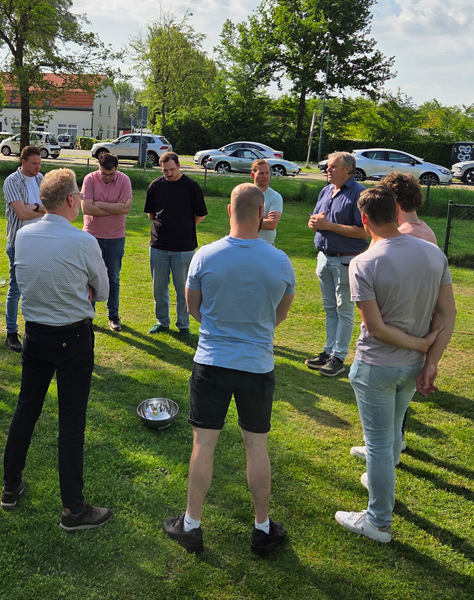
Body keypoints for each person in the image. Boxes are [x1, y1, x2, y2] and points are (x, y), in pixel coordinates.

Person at [162, 183, 295, 556]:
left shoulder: (206, 255)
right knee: (256, 446)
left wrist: (220, 327)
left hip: (212, 362)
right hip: (256, 365)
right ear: (261, 213)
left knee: (204, 445)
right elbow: (279, 315)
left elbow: (193, 308)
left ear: (229, 211)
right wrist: (254, 330)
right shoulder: (280, 261)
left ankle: (191, 525)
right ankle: (262, 528)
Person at [335, 186, 455, 543]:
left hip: (376, 368)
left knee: (378, 444)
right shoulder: (432, 253)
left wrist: (422, 347)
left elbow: (375, 328)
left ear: (364, 218)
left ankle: (378, 521)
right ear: (396, 211)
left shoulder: (363, 262)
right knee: (388, 440)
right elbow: (447, 313)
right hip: (412, 367)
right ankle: (379, 489)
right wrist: (429, 360)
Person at [0, 168, 112, 532]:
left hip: (36, 334)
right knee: (71, 422)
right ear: (70, 200)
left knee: (26, 409)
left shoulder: (24, 236)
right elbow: (102, 290)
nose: (80, 200)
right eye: (78, 195)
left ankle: (10, 486)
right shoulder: (83, 241)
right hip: (72, 337)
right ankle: (73, 509)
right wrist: (83, 290)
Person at [350, 172, 437, 462]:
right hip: (413, 335)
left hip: (394, 343)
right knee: (396, 409)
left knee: (387, 421)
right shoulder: (424, 232)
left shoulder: (405, 236)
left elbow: (382, 294)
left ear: (393, 204)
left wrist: (422, 346)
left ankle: (387, 450)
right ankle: (390, 446)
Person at [306, 151, 368, 377]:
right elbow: (316, 219)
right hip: (324, 257)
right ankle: (328, 351)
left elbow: (364, 231)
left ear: (347, 169)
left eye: (332, 166)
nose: (327, 170)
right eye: (328, 167)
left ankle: (338, 357)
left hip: (346, 260)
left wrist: (329, 226)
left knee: (344, 309)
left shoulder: (359, 194)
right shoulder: (326, 190)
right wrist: (314, 223)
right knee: (330, 308)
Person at [144, 152, 207, 337]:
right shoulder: (155, 186)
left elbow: (200, 214)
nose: (169, 173)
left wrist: (185, 227)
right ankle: (162, 321)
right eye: (165, 170)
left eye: (172, 169)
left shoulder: (192, 187)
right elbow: (151, 214)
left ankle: (183, 325)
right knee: (159, 288)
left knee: (183, 288)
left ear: (179, 166)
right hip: (158, 246)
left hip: (184, 247)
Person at [81, 152, 132, 331]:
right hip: (92, 236)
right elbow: (86, 208)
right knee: (90, 277)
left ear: (116, 169)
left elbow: (126, 208)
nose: (107, 177)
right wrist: (115, 208)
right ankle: (88, 315)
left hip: (116, 237)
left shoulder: (124, 180)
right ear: (99, 167)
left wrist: (99, 204)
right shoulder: (89, 179)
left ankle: (113, 316)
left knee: (113, 278)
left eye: (111, 174)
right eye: (104, 173)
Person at [3, 145, 46, 352]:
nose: (38, 167)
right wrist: (39, 208)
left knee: (39, 286)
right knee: (16, 288)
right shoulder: (12, 181)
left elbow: (51, 208)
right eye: (34, 163)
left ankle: (37, 330)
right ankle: (11, 333)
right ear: (23, 162)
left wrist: (34, 207)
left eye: (39, 163)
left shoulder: (41, 179)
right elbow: (21, 213)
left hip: (41, 242)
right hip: (19, 244)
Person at [250, 159, 283, 245]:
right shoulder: (245, 194)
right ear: (253, 175)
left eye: (267, 173)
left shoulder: (275, 197)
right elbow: (236, 221)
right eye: (261, 173)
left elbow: (271, 225)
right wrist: (263, 219)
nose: (265, 176)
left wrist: (248, 220)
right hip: (246, 242)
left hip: (266, 244)